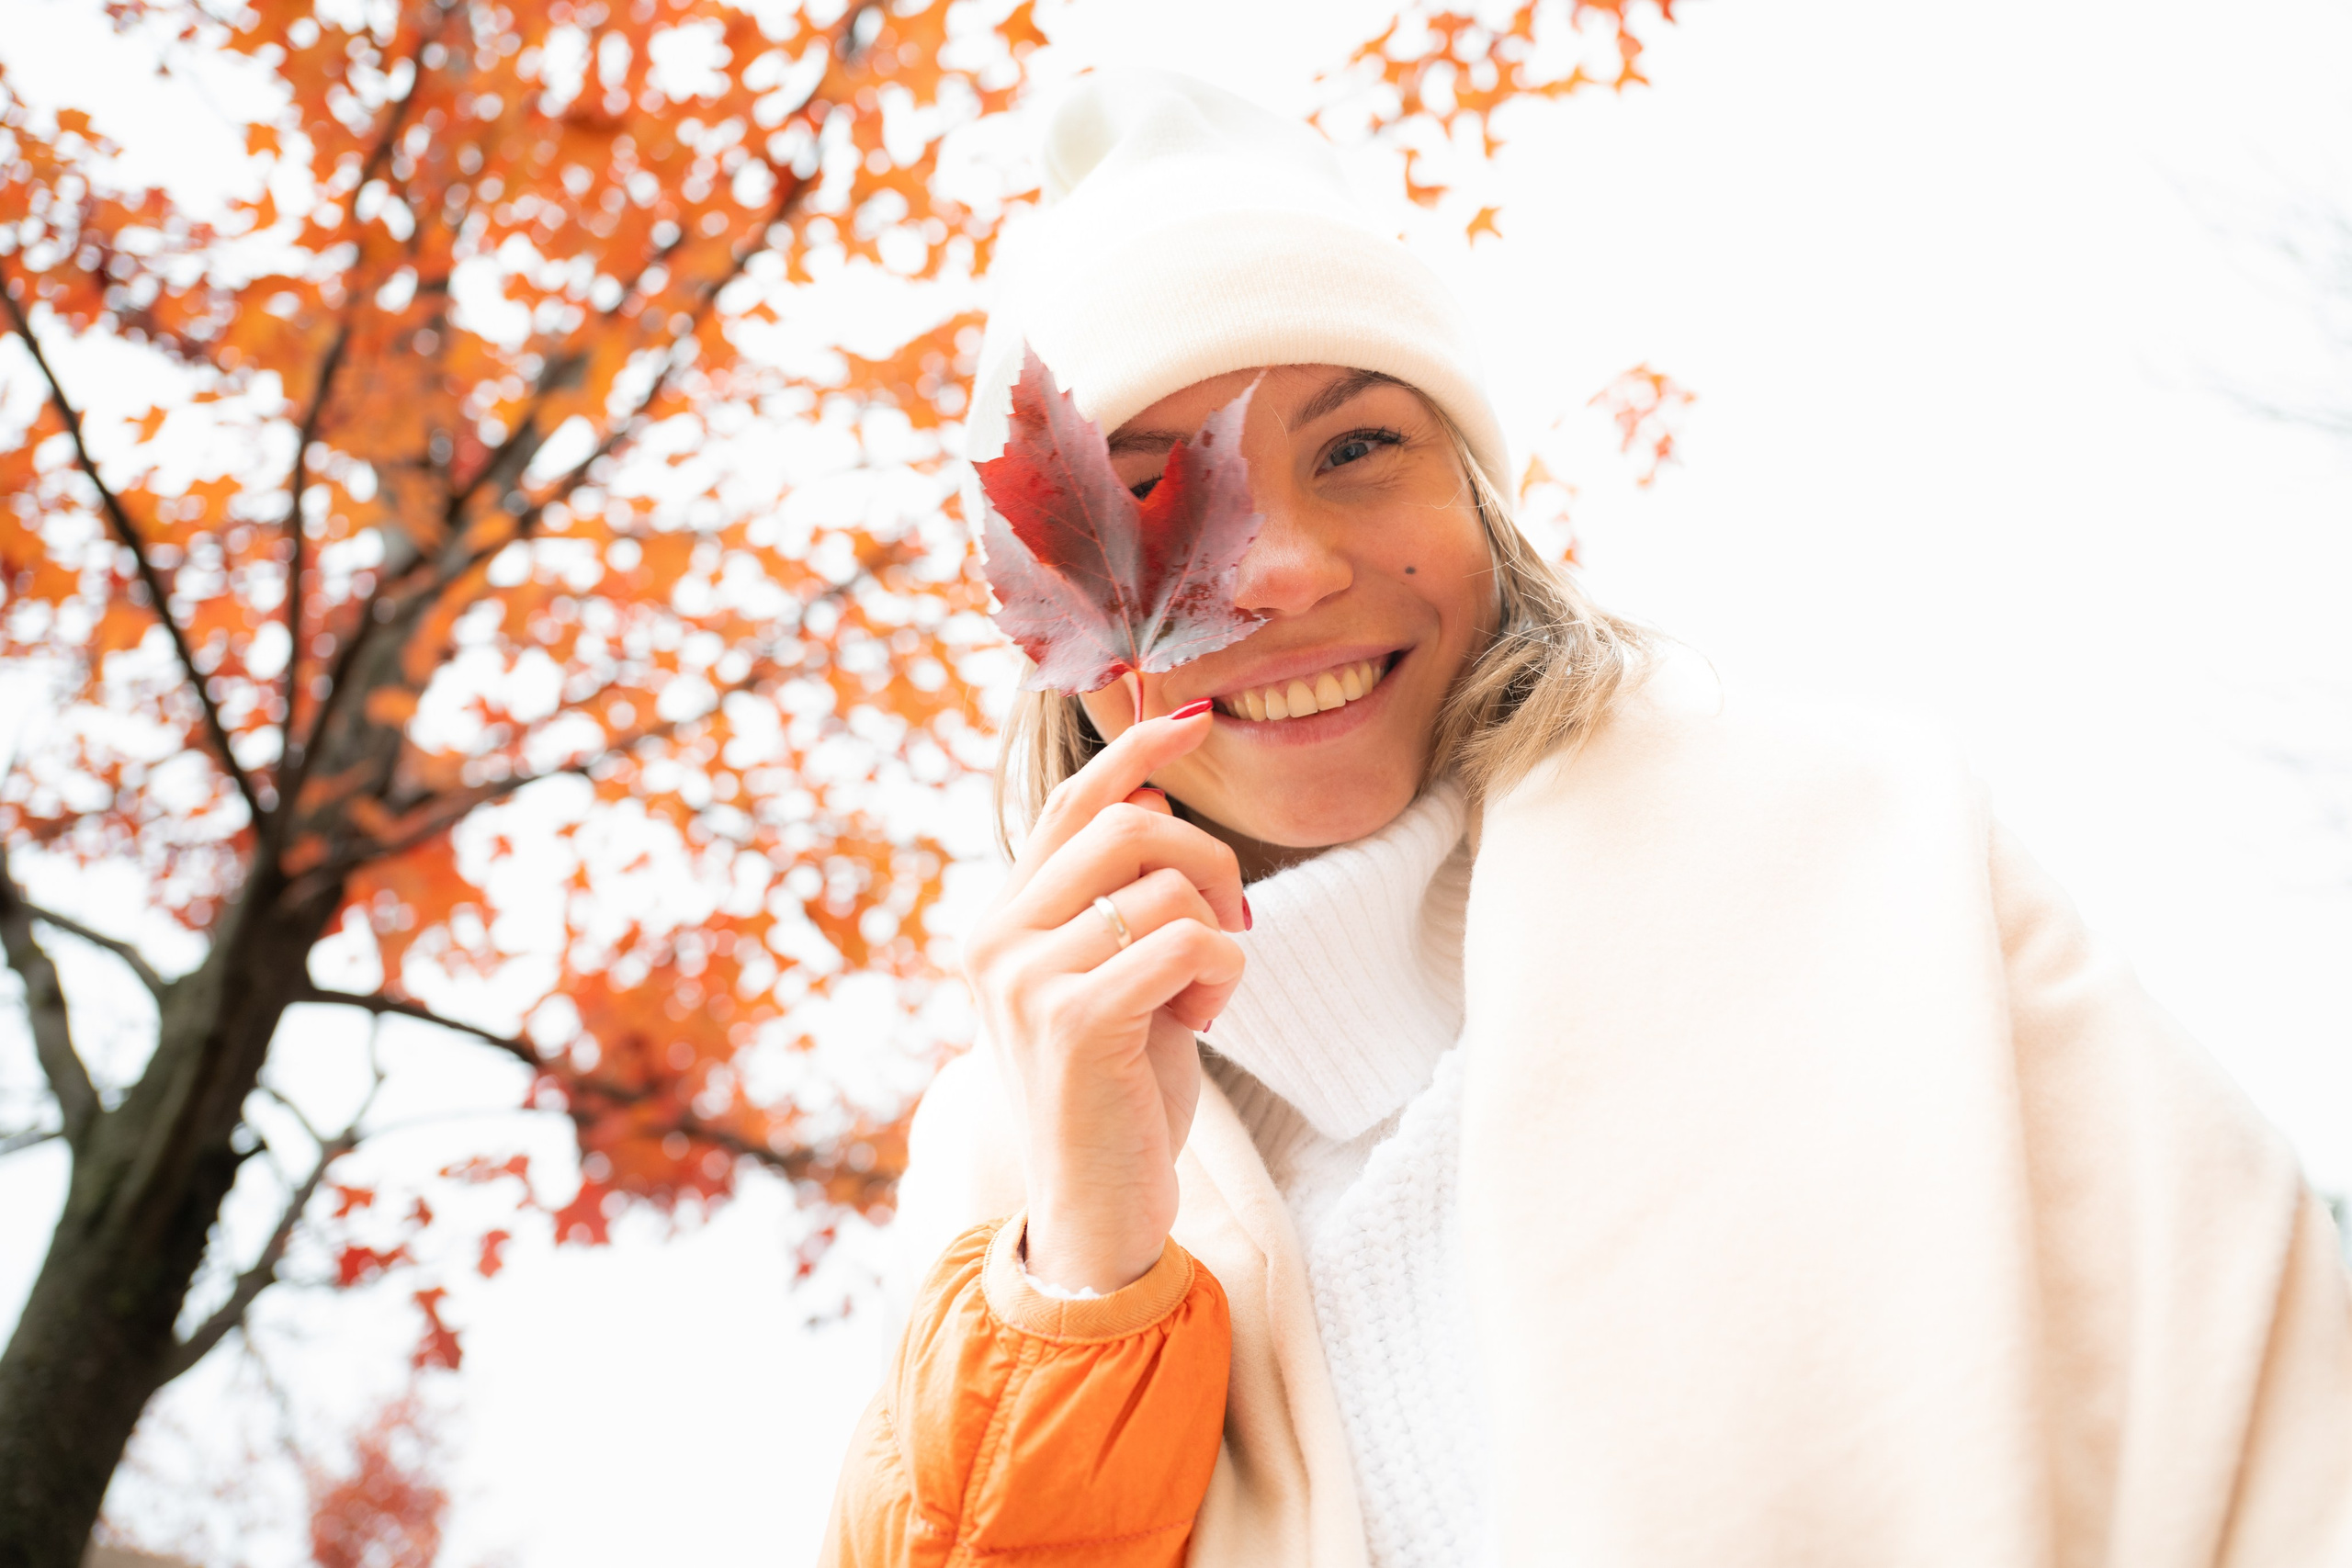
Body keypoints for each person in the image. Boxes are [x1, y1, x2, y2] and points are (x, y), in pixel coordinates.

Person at [820, 71, 2352, 1568]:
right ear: (1045, 617)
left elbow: (2282, 1450)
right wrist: (1087, 1265)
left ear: (1479, 499)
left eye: (1357, 448)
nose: (1279, 568)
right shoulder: (995, 1167)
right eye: (1154, 493)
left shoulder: (1869, 867)